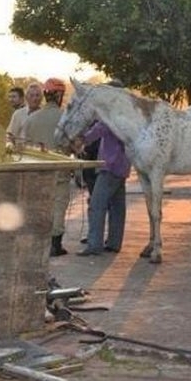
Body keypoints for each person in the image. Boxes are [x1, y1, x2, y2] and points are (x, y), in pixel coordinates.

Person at [75, 82, 131, 257]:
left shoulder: (111, 114)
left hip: (109, 165)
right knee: (117, 207)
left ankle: (94, 245)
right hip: (122, 165)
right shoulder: (126, 114)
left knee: (96, 205)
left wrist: (80, 138)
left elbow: (97, 130)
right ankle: (114, 243)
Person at [23, 78, 70, 256]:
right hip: (59, 171)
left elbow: (24, 145)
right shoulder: (65, 118)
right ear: (58, 95)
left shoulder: (31, 119)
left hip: (37, 171)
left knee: (39, 206)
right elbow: (71, 144)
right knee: (58, 206)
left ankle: (36, 242)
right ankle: (55, 245)